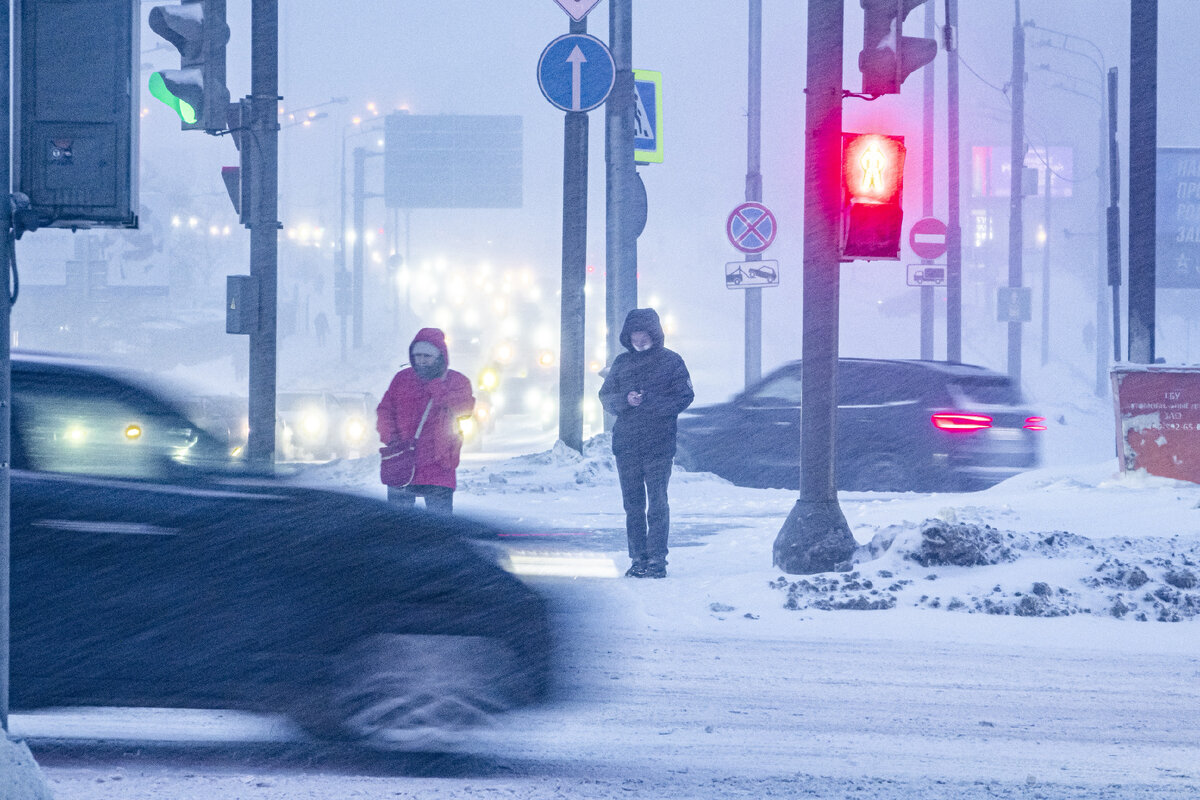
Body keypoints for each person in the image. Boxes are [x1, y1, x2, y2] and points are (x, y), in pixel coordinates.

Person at [599, 308, 694, 578]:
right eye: (634, 335)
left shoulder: (672, 362)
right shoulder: (621, 363)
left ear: (655, 334)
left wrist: (653, 404)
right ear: (628, 337)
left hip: (659, 444)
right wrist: (625, 401)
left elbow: (685, 395)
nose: (639, 340)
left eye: (644, 335)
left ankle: (657, 560)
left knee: (658, 503)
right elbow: (606, 396)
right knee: (633, 506)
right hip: (627, 445)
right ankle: (638, 558)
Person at [376, 328, 475, 514]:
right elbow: (385, 411)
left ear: (439, 356)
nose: (421, 360)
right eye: (417, 355)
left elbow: (465, 409)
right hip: (403, 464)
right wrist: (390, 438)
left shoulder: (456, 382)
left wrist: (436, 386)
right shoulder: (402, 380)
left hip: (439, 466)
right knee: (398, 528)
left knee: (440, 527)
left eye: (426, 356)